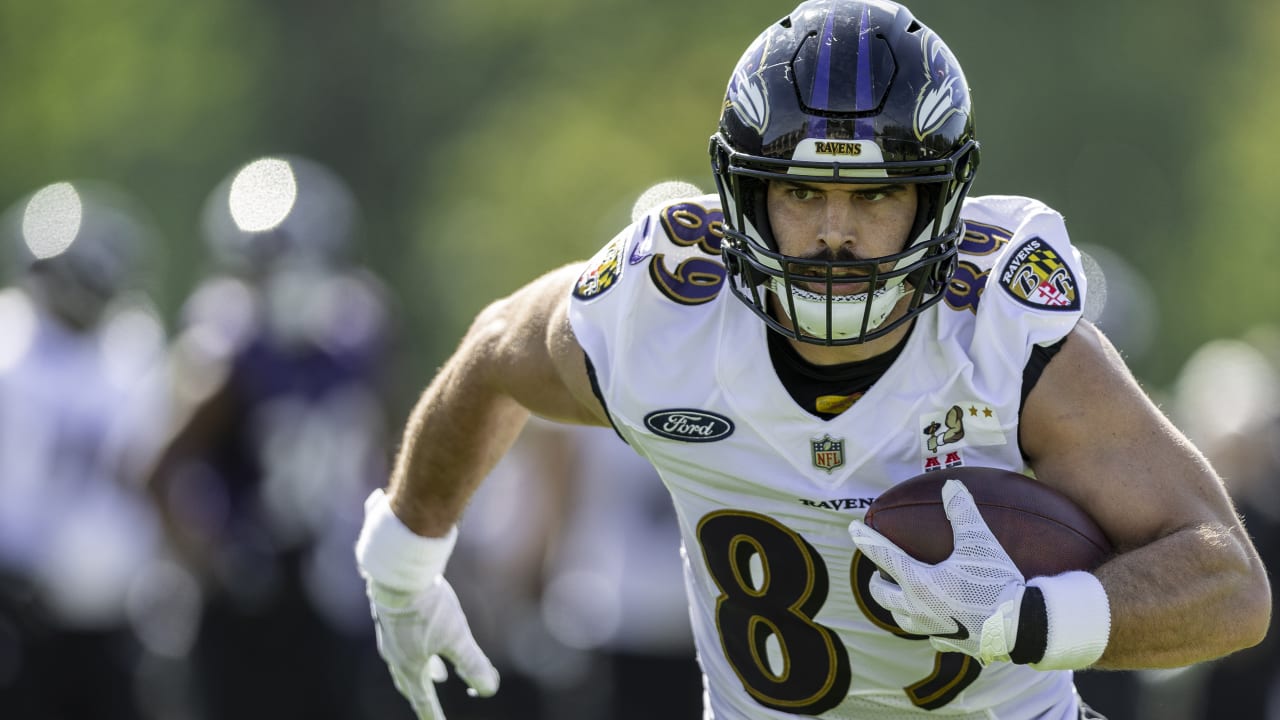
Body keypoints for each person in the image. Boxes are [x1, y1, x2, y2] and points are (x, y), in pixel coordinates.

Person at [354, 1, 1272, 718]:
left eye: (873, 196)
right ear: (742, 195)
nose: (835, 232)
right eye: (800, 189)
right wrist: (400, 559)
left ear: (937, 203)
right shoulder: (658, 311)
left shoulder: (1001, 332)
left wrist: (1031, 620)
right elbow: (490, 359)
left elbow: (1228, 581)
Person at [146, 155, 402, 719]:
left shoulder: (356, 338)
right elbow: (159, 466)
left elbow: (389, 447)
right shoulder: (224, 345)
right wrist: (206, 559)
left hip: (335, 577)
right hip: (251, 582)